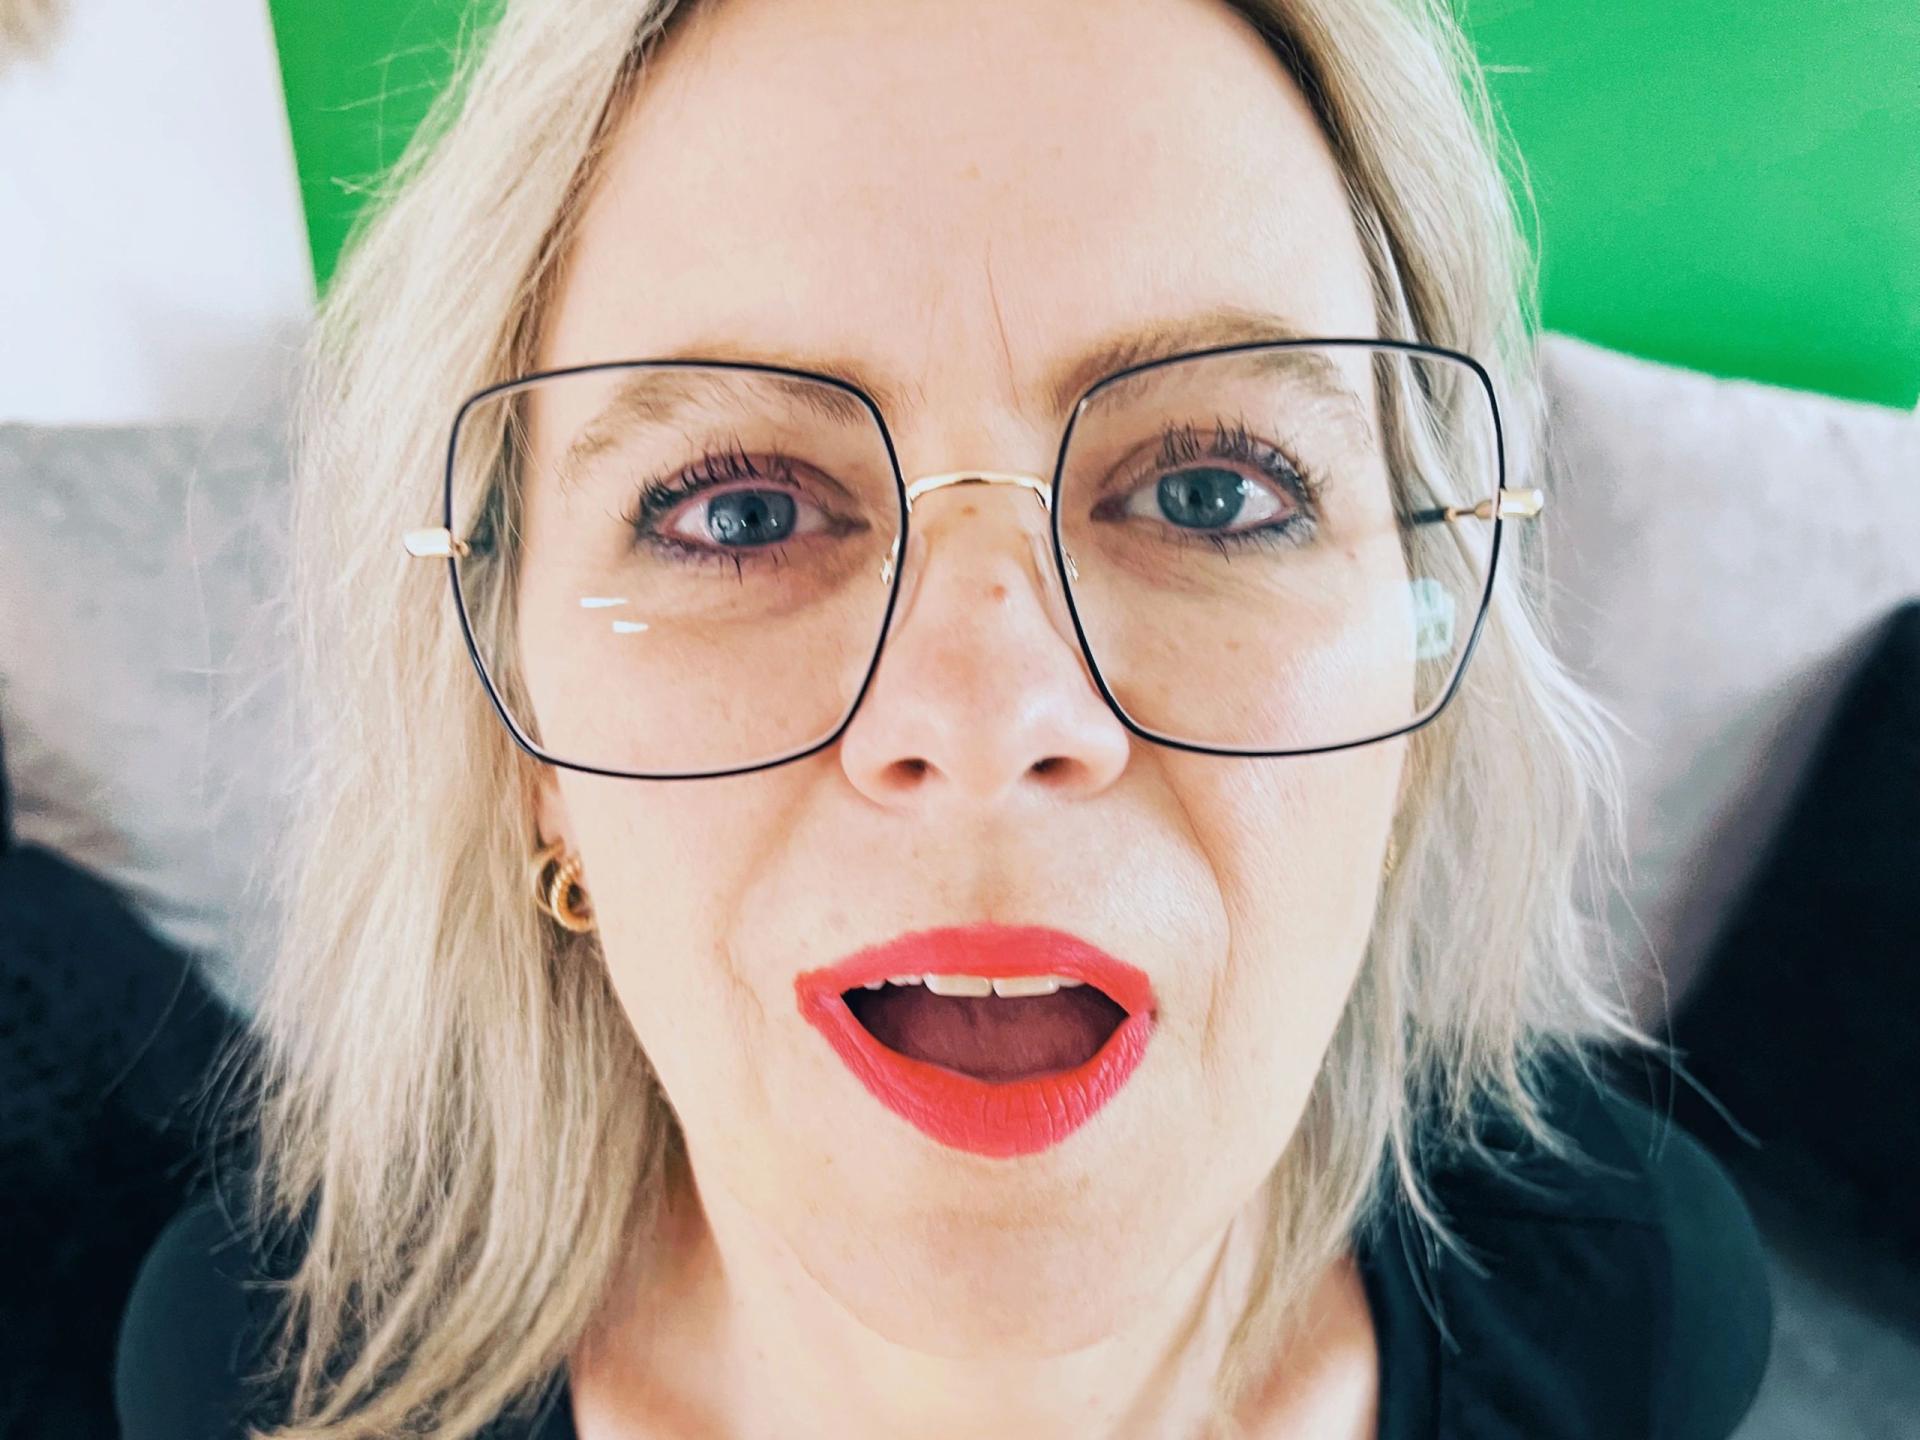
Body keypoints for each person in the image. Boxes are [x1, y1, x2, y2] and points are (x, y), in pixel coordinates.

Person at [114, 0, 1772, 1436]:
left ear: (1411, 701)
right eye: (741, 511)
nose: (988, 716)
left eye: (1212, 491)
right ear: (525, 742)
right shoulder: (272, 1368)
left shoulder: (1629, 1292)